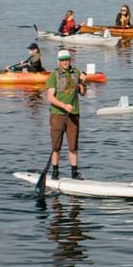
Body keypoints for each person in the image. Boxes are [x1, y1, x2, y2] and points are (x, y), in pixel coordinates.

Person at [45, 49, 84, 179]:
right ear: (58, 62)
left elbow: (82, 93)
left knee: (73, 146)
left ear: (70, 59)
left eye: (67, 59)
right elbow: (50, 98)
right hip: (57, 115)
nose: (65, 62)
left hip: (74, 115)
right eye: (62, 60)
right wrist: (64, 106)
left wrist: (83, 82)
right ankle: (55, 172)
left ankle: (74, 173)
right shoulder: (53, 75)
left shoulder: (77, 72)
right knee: (56, 146)